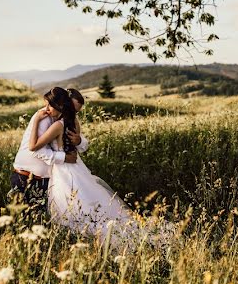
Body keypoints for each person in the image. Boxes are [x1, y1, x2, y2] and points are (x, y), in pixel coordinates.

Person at [29, 87, 173, 251]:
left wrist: (35, 122)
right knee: (88, 202)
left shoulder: (57, 126)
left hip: (65, 172)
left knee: (72, 206)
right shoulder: (73, 122)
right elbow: (75, 148)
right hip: (77, 167)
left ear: (61, 106)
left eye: (50, 106)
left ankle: (86, 240)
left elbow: (33, 146)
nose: (47, 110)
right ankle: (90, 238)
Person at [11, 88, 88, 209]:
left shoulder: (66, 119)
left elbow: (81, 143)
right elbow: (35, 149)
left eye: (76, 111)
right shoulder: (44, 117)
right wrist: (65, 158)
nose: (73, 113)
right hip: (26, 176)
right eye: (72, 109)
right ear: (63, 104)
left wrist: (79, 141)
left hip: (51, 177)